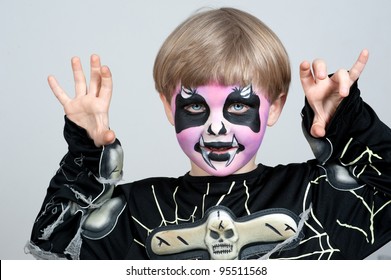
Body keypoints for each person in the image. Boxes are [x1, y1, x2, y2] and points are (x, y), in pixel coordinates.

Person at [26, 7, 391, 260]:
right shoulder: (137, 212)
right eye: (196, 107)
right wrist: (88, 150)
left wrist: (345, 120)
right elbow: (52, 241)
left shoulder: (314, 197)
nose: (216, 126)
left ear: (274, 107)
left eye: (237, 107)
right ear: (170, 108)